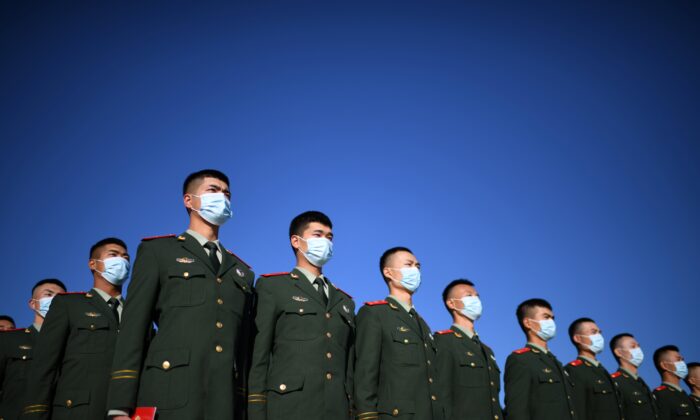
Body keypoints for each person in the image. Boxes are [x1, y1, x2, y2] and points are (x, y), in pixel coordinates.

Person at [107, 169, 255, 420]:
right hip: (168, 393)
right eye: (213, 190)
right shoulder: (158, 252)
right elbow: (134, 329)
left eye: (227, 194)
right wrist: (120, 406)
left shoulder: (242, 272)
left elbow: (243, 348)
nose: (222, 198)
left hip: (224, 401)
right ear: (189, 200)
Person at [247, 211, 355, 420]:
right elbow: (259, 356)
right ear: (296, 241)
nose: (325, 241)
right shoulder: (274, 287)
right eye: (318, 235)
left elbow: (349, 368)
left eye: (329, 237)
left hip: (337, 410)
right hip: (289, 407)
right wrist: (255, 410)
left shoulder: (345, 302)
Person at [22, 238, 131, 419]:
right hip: (77, 411)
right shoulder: (69, 305)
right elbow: (44, 366)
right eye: (114, 255)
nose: (122, 261)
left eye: (126, 257)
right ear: (93, 264)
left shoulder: (135, 311)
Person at [354, 247, 444, 420]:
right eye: (408, 265)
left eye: (418, 266)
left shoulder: (423, 325)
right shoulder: (375, 313)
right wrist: (367, 415)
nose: (415, 270)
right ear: (388, 272)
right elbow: (366, 372)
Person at [434, 279, 503, 420]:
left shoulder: (487, 351)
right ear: (451, 303)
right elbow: (441, 394)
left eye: (477, 296)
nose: (475, 299)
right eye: (469, 295)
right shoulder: (444, 341)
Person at [0, 279, 66, 420]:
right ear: (33, 303)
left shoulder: (73, 344)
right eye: (48, 294)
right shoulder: (9, 340)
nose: (54, 300)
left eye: (60, 297)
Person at [503, 298, 575, 420]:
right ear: (528, 323)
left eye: (553, 318)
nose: (551, 322)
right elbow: (517, 411)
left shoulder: (557, 363)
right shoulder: (521, 360)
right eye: (546, 317)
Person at [564, 318, 624, 420]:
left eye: (599, 332)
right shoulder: (574, 370)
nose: (599, 336)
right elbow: (578, 410)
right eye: (593, 332)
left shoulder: (603, 371)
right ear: (578, 338)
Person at [608, 333, 658, 420]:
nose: (638, 349)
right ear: (619, 352)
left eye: (638, 346)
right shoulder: (614, 382)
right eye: (633, 347)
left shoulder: (642, 384)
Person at [652, 345, 699, 419]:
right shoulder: (661, 395)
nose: (683, 363)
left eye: (682, 360)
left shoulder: (687, 397)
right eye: (678, 360)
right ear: (664, 365)